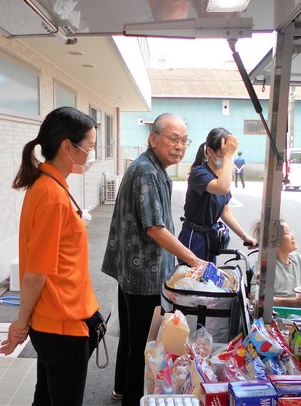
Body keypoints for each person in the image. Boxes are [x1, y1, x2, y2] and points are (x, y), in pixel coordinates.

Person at [101, 113, 207, 405]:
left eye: (184, 141)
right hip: (143, 274)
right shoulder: (147, 171)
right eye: (173, 139)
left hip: (133, 271)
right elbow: (155, 228)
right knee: (143, 344)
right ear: (153, 139)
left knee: (131, 337)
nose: (179, 146)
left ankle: (121, 387)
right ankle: (132, 398)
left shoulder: (150, 167)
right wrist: (193, 260)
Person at [0, 107, 100, 406]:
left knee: (45, 398)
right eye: (90, 146)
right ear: (68, 147)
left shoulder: (49, 184)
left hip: (58, 320)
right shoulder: (52, 196)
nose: (91, 154)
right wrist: (20, 325)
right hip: (62, 324)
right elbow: (36, 272)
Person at [178, 128, 257, 264]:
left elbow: (224, 211)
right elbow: (222, 188)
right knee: (194, 276)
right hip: (194, 237)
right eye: (223, 153)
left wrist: (244, 236)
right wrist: (228, 157)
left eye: (229, 153)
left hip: (210, 237)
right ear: (209, 151)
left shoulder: (221, 177)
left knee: (209, 276)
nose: (226, 157)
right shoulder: (199, 173)